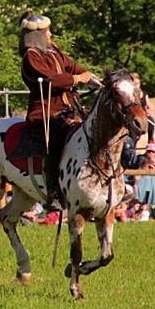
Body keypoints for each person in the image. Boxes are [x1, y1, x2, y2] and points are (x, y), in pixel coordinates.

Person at [18, 13, 95, 207]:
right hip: (46, 113)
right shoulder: (31, 58)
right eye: (47, 32)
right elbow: (52, 79)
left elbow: (74, 67)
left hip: (70, 109)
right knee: (54, 142)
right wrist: (77, 79)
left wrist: (93, 79)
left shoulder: (55, 52)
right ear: (37, 36)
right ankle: (53, 193)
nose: (50, 34)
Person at [131, 73, 155, 143]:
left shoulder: (144, 94)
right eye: (135, 84)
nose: (137, 86)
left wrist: (149, 110)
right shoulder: (132, 95)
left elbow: (149, 106)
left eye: (138, 84)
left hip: (143, 114)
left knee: (151, 121)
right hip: (135, 115)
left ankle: (150, 140)